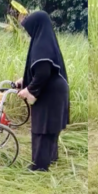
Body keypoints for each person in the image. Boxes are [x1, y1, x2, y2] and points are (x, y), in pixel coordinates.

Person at [14, 11, 70, 171]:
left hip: (50, 91)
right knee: (50, 126)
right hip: (55, 89)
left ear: (37, 26)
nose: (28, 32)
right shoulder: (45, 41)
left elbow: (43, 73)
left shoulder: (41, 45)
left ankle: (39, 167)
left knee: (42, 128)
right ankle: (50, 157)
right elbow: (43, 70)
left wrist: (30, 90)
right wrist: (24, 81)